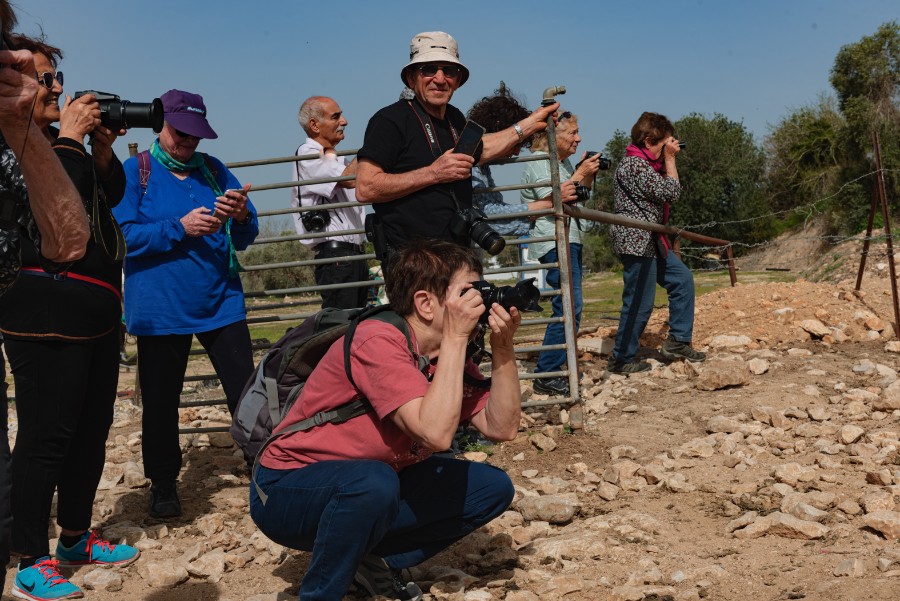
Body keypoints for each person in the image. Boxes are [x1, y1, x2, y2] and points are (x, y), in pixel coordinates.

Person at [250, 240, 522, 601]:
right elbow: (437, 435)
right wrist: (457, 338)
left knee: (491, 488)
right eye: (467, 293)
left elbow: (502, 427)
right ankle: (320, 594)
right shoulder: (376, 341)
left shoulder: (445, 354)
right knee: (371, 483)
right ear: (426, 303)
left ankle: (369, 560)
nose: (478, 302)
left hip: (366, 483)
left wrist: (503, 349)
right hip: (286, 490)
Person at [0, 34, 140, 601]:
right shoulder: (16, 147)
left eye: (58, 77)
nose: (57, 86)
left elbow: (106, 199)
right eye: (44, 78)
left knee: (90, 429)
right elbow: (51, 208)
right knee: (47, 434)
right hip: (42, 308)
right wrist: (69, 140)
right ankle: (29, 557)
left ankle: (77, 538)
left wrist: (99, 152)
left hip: (97, 307)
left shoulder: (67, 144)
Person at [112, 89, 259, 519]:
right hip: (160, 310)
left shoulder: (214, 170)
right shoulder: (135, 171)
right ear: (162, 124)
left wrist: (243, 214)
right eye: (181, 133)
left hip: (221, 302)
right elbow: (123, 238)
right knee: (160, 402)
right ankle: (163, 485)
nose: (188, 143)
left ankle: (264, 467)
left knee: (247, 393)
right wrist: (179, 227)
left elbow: (247, 238)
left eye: (196, 136)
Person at [0, 5, 89, 595]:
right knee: (41, 435)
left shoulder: (15, 143)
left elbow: (71, 239)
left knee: (71, 429)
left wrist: (26, 131)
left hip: (82, 314)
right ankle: (31, 552)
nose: (16, 64)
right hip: (32, 317)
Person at [355, 31, 558, 269]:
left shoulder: (454, 118)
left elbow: (483, 149)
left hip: (458, 255)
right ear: (411, 78)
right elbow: (365, 188)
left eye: (449, 71)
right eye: (429, 69)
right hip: (413, 262)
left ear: (458, 80)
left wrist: (531, 122)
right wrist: (433, 173)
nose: (440, 79)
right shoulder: (390, 120)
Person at [609, 111, 706, 374]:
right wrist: (671, 159)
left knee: (682, 280)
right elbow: (671, 192)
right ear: (651, 140)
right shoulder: (634, 165)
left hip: (652, 241)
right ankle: (621, 359)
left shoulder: (647, 165)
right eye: (666, 142)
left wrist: (666, 159)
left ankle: (678, 341)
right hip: (636, 242)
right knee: (640, 302)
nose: (670, 148)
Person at [521, 112, 601, 395]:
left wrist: (587, 177)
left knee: (571, 306)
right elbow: (559, 197)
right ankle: (548, 373)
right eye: (573, 133)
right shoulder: (540, 162)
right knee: (567, 305)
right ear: (554, 136)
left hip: (569, 236)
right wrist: (579, 175)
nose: (579, 138)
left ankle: (556, 369)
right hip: (553, 240)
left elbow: (579, 196)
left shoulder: (562, 162)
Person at [291, 96, 367, 309]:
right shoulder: (307, 154)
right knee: (341, 325)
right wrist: (373, 145)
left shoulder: (334, 159)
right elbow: (349, 179)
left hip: (351, 256)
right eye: (336, 116)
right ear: (314, 125)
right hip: (337, 257)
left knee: (356, 324)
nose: (344, 121)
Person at [467, 85, 570, 237]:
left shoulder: (482, 168)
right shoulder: (471, 164)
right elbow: (489, 216)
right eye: (515, 143)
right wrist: (548, 203)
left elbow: (496, 210)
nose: (516, 152)